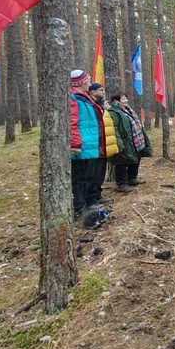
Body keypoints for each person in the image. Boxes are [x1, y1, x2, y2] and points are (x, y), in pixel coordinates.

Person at [69, 70, 109, 229]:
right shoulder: (73, 99)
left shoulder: (86, 99)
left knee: (90, 176)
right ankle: (80, 208)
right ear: (80, 82)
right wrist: (75, 145)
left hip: (91, 146)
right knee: (80, 179)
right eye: (87, 80)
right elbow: (72, 123)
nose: (90, 82)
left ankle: (89, 204)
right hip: (82, 147)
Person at [108, 93, 151, 191]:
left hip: (135, 140)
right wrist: (119, 142)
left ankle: (132, 178)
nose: (126, 101)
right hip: (123, 141)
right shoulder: (113, 112)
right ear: (116, 101)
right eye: (123, 99)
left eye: (126, 99)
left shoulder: (128, 110)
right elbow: (114, 128)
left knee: (136, 158)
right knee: (121, 162)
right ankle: (121, 184)